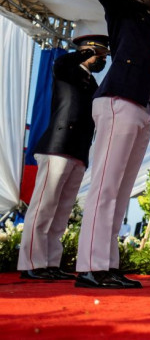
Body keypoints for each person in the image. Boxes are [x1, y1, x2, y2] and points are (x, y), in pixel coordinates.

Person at [76, 0, 150, 289]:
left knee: (120, 193)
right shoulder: (123, 7)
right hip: (119, 100)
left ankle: (107, 265)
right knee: (106, 187)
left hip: (141, 107)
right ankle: (91, 268)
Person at [17, 35, 110, 281]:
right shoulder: (67, 68)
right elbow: (61, 63)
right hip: (57, 146)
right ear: (87, 50)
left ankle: (50, 263)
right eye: (100, 54)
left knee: (61, 211)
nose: (102, 60)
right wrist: (85, 51)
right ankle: (31, 264)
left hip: (78, 150)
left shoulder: (92, 82)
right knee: (43, 207)